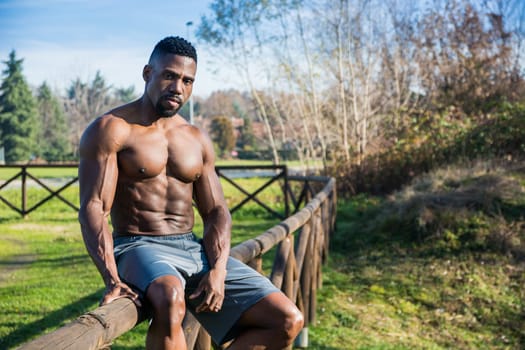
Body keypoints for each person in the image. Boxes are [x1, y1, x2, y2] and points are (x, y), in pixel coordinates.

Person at [78, 36, 304, 349]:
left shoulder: (195, 138)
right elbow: (94, 207)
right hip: (136, 244)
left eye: (187, 80)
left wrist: (219, 271)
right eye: (169, 76)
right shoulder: (112, 129)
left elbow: (216, 212)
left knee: (286, 320)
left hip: (190, 246)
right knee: (170, 298)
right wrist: (111, 279)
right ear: (147, 73)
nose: (178, 87)